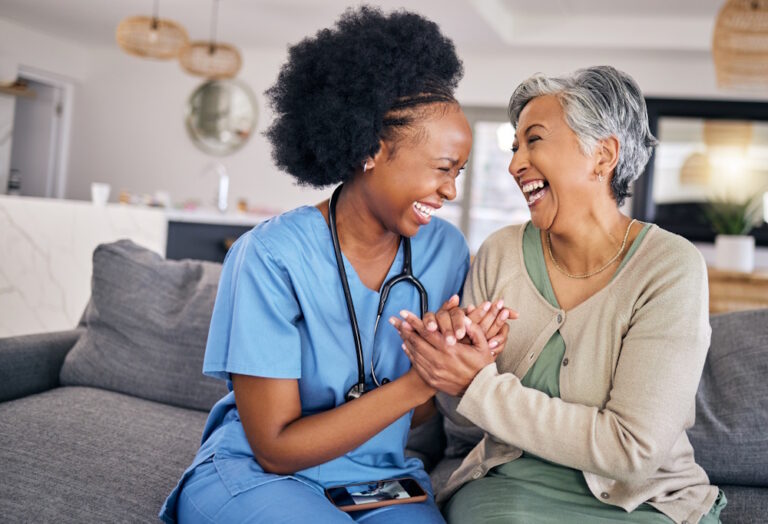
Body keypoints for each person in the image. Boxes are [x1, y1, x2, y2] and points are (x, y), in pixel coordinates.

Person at [159, 6, 511, 523]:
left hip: (380, 478)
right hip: (265, 474)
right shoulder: (270, 256)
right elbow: (275, 448)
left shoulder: (444, 251)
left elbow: (415, 420)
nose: (450, 191)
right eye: (442, 168)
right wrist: (422, 378)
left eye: (458, 172)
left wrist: (449, 354)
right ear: (371, 148)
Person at [392, 66, 728, 523]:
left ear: (603, 155)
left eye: (534, 140)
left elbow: (632, 451)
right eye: (514, 147)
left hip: (643, 502)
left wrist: (477, 383)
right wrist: (452, 360)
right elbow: (467, 427)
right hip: (508, 490)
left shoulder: (669, 268)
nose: (514, 164)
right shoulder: (501, 253)